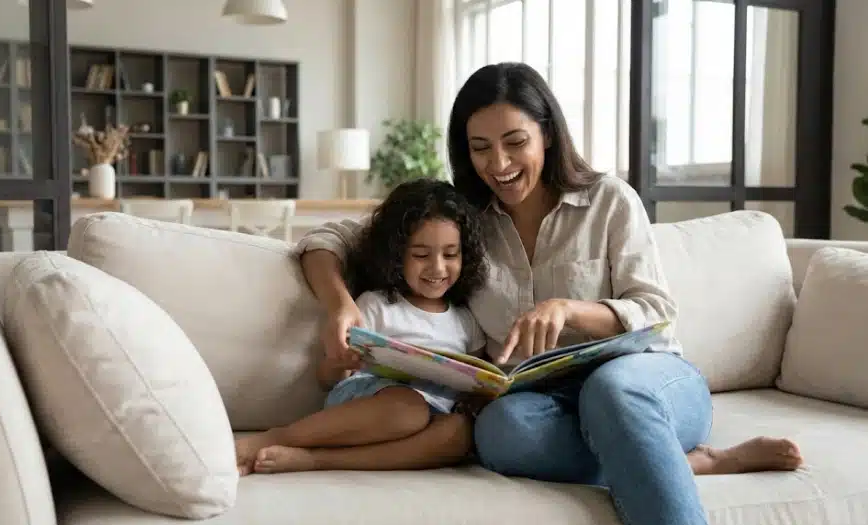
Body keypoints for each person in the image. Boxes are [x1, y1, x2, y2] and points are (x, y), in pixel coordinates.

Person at [293, 62, 803, 524]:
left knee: (612, 392)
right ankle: (682, 463)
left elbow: (656, 312)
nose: (498, 163)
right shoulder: (465, 221)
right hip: (545, 404)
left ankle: (660, 460)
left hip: (648, 384)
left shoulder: (609, 201)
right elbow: (326, 239)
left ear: (548, 136)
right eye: (480, 148)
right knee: (497, 433)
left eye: (515, 142)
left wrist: (570, 310)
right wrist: (340, 304)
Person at [235, 178, 489, 476]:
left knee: (459, 434)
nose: (437, 267)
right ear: (397, 255)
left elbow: (477, 379)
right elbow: (329, 378)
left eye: (450, 254)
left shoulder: (465, 319)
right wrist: (337, 363)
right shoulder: (376, 305)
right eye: (421, 255)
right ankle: (277, 437)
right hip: (375, 404)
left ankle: (315, 460)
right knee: (409, 410)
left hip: (433, 418)